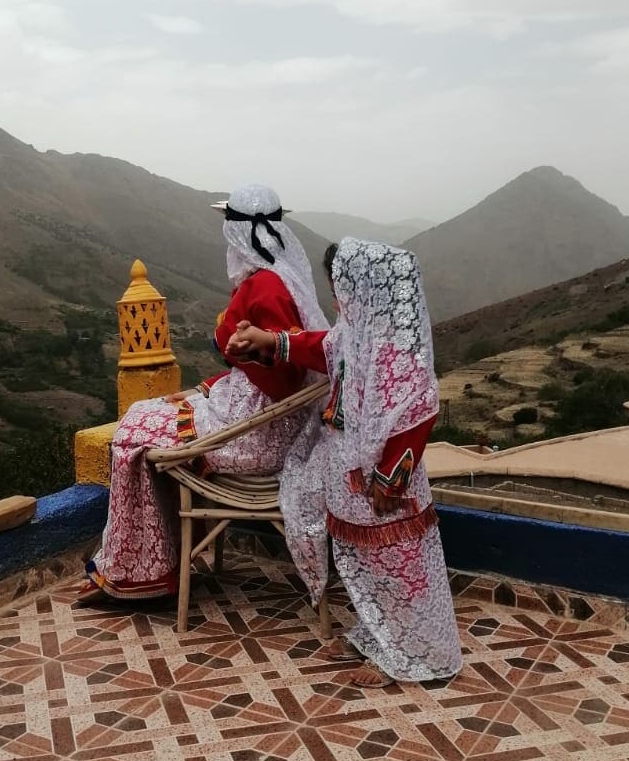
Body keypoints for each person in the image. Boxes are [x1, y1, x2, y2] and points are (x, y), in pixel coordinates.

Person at [77, 184, 328, 607]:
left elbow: (283, 376)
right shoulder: (282, 280)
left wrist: (253, 353)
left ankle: (141, 570)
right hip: (271, 422)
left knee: (132, 429)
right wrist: (220, 382)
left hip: (256, 438)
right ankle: (153, 559)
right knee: (150, 412)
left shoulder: (263, 288)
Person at [227, 238, 462, 688]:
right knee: (365, 566)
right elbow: (319, 347)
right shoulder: (354, 337)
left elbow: (418, 411)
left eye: (340, 289)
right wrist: (269, 341)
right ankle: (377, 635)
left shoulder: (400, 354)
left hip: (382, 488)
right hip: (351, 479)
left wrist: (391, 479)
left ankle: (414, 656)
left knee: (401, 570)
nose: (336, 299)